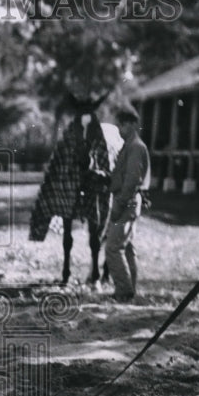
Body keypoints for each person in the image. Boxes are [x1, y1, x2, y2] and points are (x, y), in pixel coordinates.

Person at [29, 97, 114, 286]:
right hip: (72, 177)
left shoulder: (98, 139)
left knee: (96, 223)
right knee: (67, 225)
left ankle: (96, 273)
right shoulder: (68, 139)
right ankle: (66, 270)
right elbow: (59, 160)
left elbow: (104, 162)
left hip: (93, 178)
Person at [104, 106, 150, 302]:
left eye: (122, 125)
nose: (119, 129)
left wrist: (118, 205)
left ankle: (123, 291)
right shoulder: (129, 146)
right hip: (128, 201)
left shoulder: (135, 147)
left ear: (132, 124)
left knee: (113, 247)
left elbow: (131, 181)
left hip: (127, 202)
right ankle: (130, 289)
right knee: (128, 248)